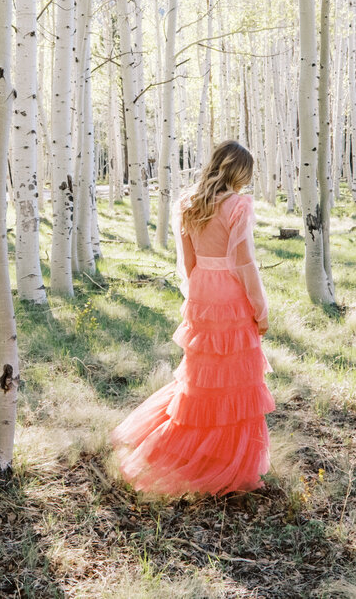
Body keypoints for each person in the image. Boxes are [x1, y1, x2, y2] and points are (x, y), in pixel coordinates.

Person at [111, 140, 275, 496]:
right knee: (235, 378)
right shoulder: (238, 205)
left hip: (202, 290)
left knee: (203, 377)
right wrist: (260, 309)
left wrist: (196, 297)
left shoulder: (188, 203)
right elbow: (244, 262)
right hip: (230, 293)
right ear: (239, 171)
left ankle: (192, 448)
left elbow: (188, 264)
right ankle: (225, 460)